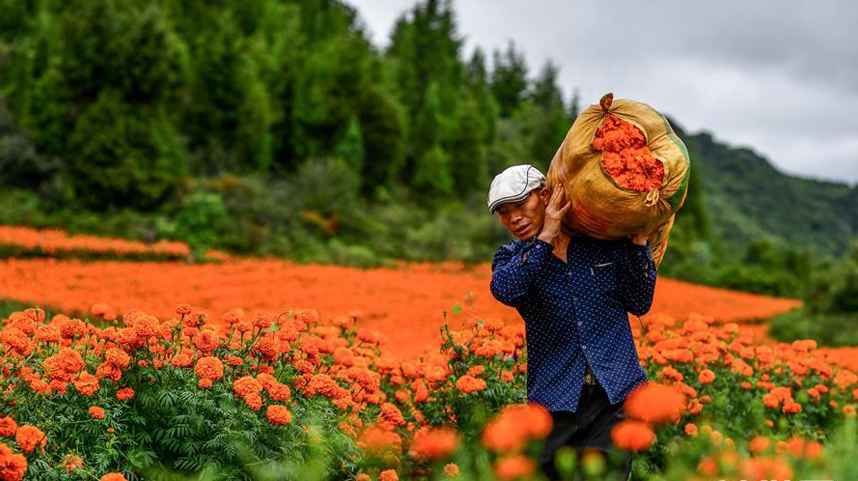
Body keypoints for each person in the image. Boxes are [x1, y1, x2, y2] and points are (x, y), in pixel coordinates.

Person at [486, 164, 657, 481]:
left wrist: (639, 243)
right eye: (504, 213)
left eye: (521, 205)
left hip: (615, 393)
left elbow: (639, 301)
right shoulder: (513, 257)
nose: (514, 219)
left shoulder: (601, 245)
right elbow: (506, 289)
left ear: (546, 195)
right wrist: (546, 238)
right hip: (556, 398)